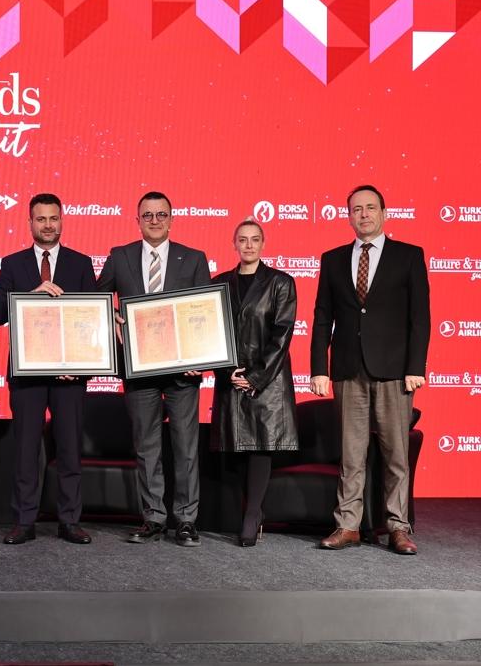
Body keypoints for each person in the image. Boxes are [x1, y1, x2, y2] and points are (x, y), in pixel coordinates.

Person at [312, 184, 429, 555]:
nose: (363, 214)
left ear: (384, 213)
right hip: (348, 370)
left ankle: (398, 527)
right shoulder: (332, 259)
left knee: (396, 455)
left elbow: (420, 318)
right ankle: (348, 525)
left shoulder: (408, 256)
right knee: (351, 455)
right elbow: (322, 318)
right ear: (349, 216)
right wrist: (319, 369)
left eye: (370, 207)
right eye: (356, 209)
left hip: (395, 371)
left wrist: (415, 366)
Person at [97, 190, 211, 547]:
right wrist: (112, 315)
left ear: (171, 219)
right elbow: (98, 298)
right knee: (146, 447)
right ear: (138, 220)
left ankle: (186, 520)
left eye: (161, 214)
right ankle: (153, 518)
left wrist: (201, 358)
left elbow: (205, 312)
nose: (155, 220)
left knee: (186, 446)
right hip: (138, 367)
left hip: (183, 370)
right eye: (148, 215)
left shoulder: (193, 258)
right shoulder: (120, 256)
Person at [0, 193, 98, 545]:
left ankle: (70, 521)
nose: (48, 225)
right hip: (28, 374)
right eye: (41, 219)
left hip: (70, 375)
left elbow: (91, 319)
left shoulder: (81, 263)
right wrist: (31, 295)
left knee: (69, 450)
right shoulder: (13, 263)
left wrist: (80, 366)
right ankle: (24, 521)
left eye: (53, 218)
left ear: (62, 220)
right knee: (25, 451)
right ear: (30, 223)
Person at [209, 220, 298, 547]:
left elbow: (282, 335)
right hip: (231, 379)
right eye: (243, 240)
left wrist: (255, 377)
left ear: (263, 243)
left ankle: (252, 514)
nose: (248, 245)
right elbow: (211, 333)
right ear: (234, 243)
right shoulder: (219, 283)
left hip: (268, 382)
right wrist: (227, 372)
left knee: (260, 447)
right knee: (235, 449)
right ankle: (252, 511)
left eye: (255, 239)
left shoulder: (281, 282)